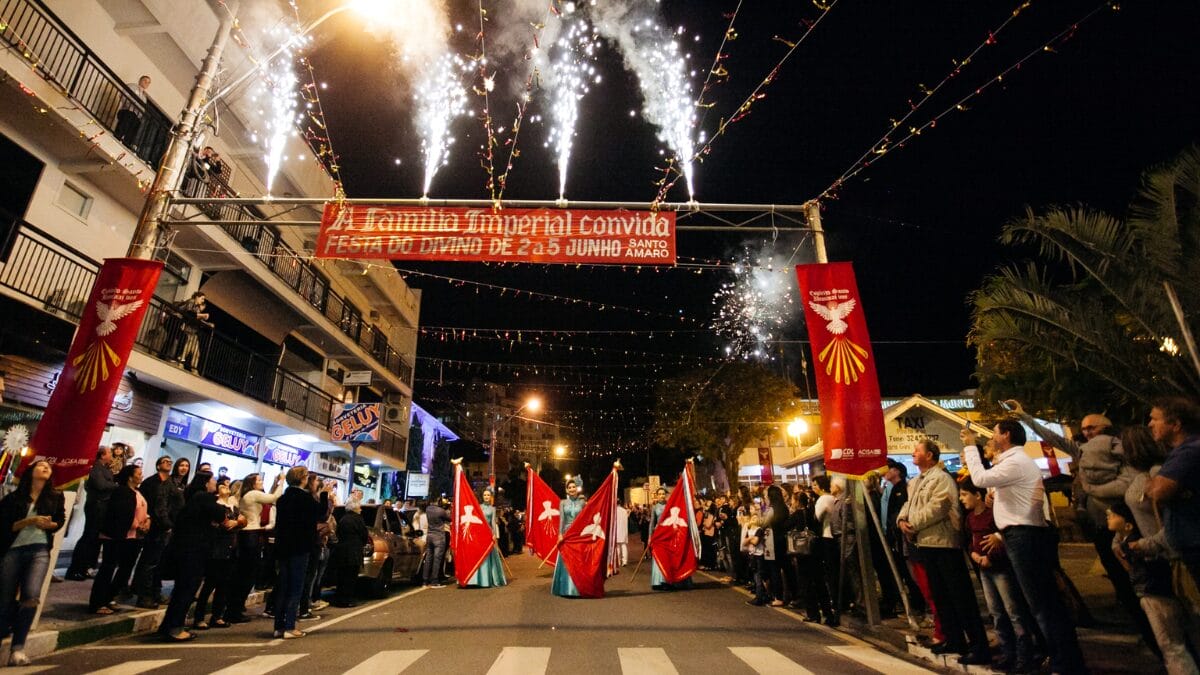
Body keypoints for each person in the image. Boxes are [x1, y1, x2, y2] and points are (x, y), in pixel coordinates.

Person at [1007, 399, 1151, 646]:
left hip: (1127, 526)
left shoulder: (1119, 449)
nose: (1086, 433)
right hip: (1100, 527)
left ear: (1106, 428)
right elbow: (1055, 439)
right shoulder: (1082, 452)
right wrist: (1025, 417)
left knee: (1141, 584)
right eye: (1084, 429)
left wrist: (1094, 488)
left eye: (1091, 428)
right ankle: (1145, 631)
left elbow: (1130, 481)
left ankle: (1152, 633)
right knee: (1122, 584)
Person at [963, 421, 1087, 674]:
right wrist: (994, 496)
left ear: (1006, 435)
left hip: (1024, 536)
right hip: (1019, 535)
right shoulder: (1011, 463)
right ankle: (1060, 657)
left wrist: (969, 448)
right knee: (1039, 604)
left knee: (1042, 604)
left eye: (994, 432)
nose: (992, 437)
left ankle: (1065, 663)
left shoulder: (1016, 461)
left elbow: (979, 477)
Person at [897, 438, 989, 665]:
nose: (913, 453)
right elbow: (908, 505)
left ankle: (978, 644)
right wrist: (901, 520)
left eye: (917, 450)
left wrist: (913, 524)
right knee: (940, 595)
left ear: (930, 455)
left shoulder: (942, 478)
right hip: (925, 544)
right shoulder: (916, 481)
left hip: (944, 543)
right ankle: (953, 638)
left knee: (960, 595)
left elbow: (939, 506)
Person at [959, 477, 1035, 672]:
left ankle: (1024, 655)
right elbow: (971, 541)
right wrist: (975, 555)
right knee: (996, 613)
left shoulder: (992, 515)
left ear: (978, 495)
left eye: (965, 494)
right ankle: (1008, 652)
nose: (961, 498)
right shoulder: (969, 518)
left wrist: (990, 557)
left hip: (999, 568)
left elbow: (1002, 540)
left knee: (1013, 611)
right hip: (984, 569)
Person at [0, 461, 64, 665]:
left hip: (40, 550)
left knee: (31, 596)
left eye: (48, 467)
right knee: (5, 599)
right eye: (41, 466)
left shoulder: (55, 496)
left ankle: (18, 648)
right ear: (31, 472)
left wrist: (50, 524)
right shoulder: (14, 498)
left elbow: (59, 521)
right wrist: (30, 521)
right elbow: (5, 526)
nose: (46, 468)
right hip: (13, 550)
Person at [1147, 397, 1200, 590]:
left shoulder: (1188, 452)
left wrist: (1154, 486)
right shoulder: (1181, 452)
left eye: (1155, 419)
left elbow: (1158, 492)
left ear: (1176, 424)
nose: (1150, 424)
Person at [272, 466, 327, 639]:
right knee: (296, 586)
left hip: (283, 547)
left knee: (283, 586)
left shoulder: (283, 499)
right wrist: (324, 494)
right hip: (300, 547)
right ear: (303, 479)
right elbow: (321, 514)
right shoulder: (305, 499)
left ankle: (279, 626)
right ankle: (290, 626)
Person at [88, 464, 149, 615]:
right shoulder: (122, 491)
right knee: (108, 568)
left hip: (133, 537)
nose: (141, 476)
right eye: (138, 473)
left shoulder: (137, 492)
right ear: (130, 476)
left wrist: (147, 521)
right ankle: (97, 602)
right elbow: (123, 513)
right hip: (117, 536)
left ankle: (109, 597)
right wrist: (137, 525)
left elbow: (143, 510)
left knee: (125, 569)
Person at [224, 472, 281, 624]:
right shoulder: (251, 494)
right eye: (259, 480)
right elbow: (274, 497)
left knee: (245, 573)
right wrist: (281, 482)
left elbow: (268, 496)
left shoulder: (249, 495)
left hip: (249, 534)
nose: (261, 482)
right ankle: (234, 610)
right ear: (252, 483)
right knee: (246, 574)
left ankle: (235, 608)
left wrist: (275, 483)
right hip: (250, 534)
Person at [193, 477, 243, 630]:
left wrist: (237, 522)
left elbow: (242, 520)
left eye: (227, 486)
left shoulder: (233, 505)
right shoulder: (215, 504)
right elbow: (223, 523)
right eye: (222, 486)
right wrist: (233, 522)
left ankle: (217, 616)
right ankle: (199, 617)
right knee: (210, 584)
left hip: (231, 547)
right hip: (216, 547)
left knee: (224, 584)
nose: (226, 487)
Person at [133, 456, 182, 609]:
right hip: (155, 527)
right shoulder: (152, 483)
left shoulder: (171, 483)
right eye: (165, 461)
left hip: (165, 527)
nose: (169, 463)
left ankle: (154, 591)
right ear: (158, 465)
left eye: (170, 461)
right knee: (149, 562)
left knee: (157, 563)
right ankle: (144, 595)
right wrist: (167, 524)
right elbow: (158, 507)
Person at [67, 446, 117, 580]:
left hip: (101, 506)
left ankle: (84, 568)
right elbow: (100, 485)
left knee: (94, 539)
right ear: (102, 455)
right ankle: (75, 569)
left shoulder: (104, 469)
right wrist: (116, 485)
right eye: (110, 453)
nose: (112, 455)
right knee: (88, 537)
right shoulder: (96, 467)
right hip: (96, 505)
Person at [465, 488, 507, 587]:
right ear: (482, 497)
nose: (486, 497)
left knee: (489, 556)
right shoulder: (478, 507)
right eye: (485, 495)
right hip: (479, 534)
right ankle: (477, 579)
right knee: (479, 556)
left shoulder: (493, 509)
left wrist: (494, 535)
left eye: (488, 495)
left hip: (488, 535)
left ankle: (488, 579)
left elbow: (492, 522)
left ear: (491, 497)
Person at [551, 479, 585, 597]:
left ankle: (579, 587)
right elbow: (561, 520)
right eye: (569, 487)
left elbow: (586, 519)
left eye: (573, 487)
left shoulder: (582, 503)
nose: (571, 489)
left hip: (578, 534)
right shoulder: (563, 502)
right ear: (566, 490)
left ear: (577, 488)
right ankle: (566, 588)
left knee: (578, 560)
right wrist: (560, 534)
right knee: (566, 560)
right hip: (566, 534)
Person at [333, 500, 367, 607]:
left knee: (342, 577)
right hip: (354, 552)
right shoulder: (358, 519)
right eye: (359, 507)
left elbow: (338, 533)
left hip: (342, 551)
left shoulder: (343, 519)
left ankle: (339, 599)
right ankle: (347, 600)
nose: (360, 509)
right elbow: (364, 534)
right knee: (351, 577)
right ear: (355, 508)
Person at [422, 497, 450, 588]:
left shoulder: (428, 509)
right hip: (439, 536)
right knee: (437, 559)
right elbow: (450, 519)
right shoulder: (441, 511)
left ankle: (425, 581)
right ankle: (434, 581)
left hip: (429, 536)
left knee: (429, 559)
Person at [115, 75, 150, 147]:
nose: (146, 83)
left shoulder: (144, 97)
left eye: (148, 83)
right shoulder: (132, 86)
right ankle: (117, 138)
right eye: (145, 81)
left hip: (135, 116)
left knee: (135, 127)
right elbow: (124, 95)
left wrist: (138, 112)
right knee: (124, 125)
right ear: (140, 80)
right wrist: (131, 105)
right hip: (127, 111)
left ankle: (126, 144)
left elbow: (142, 109)